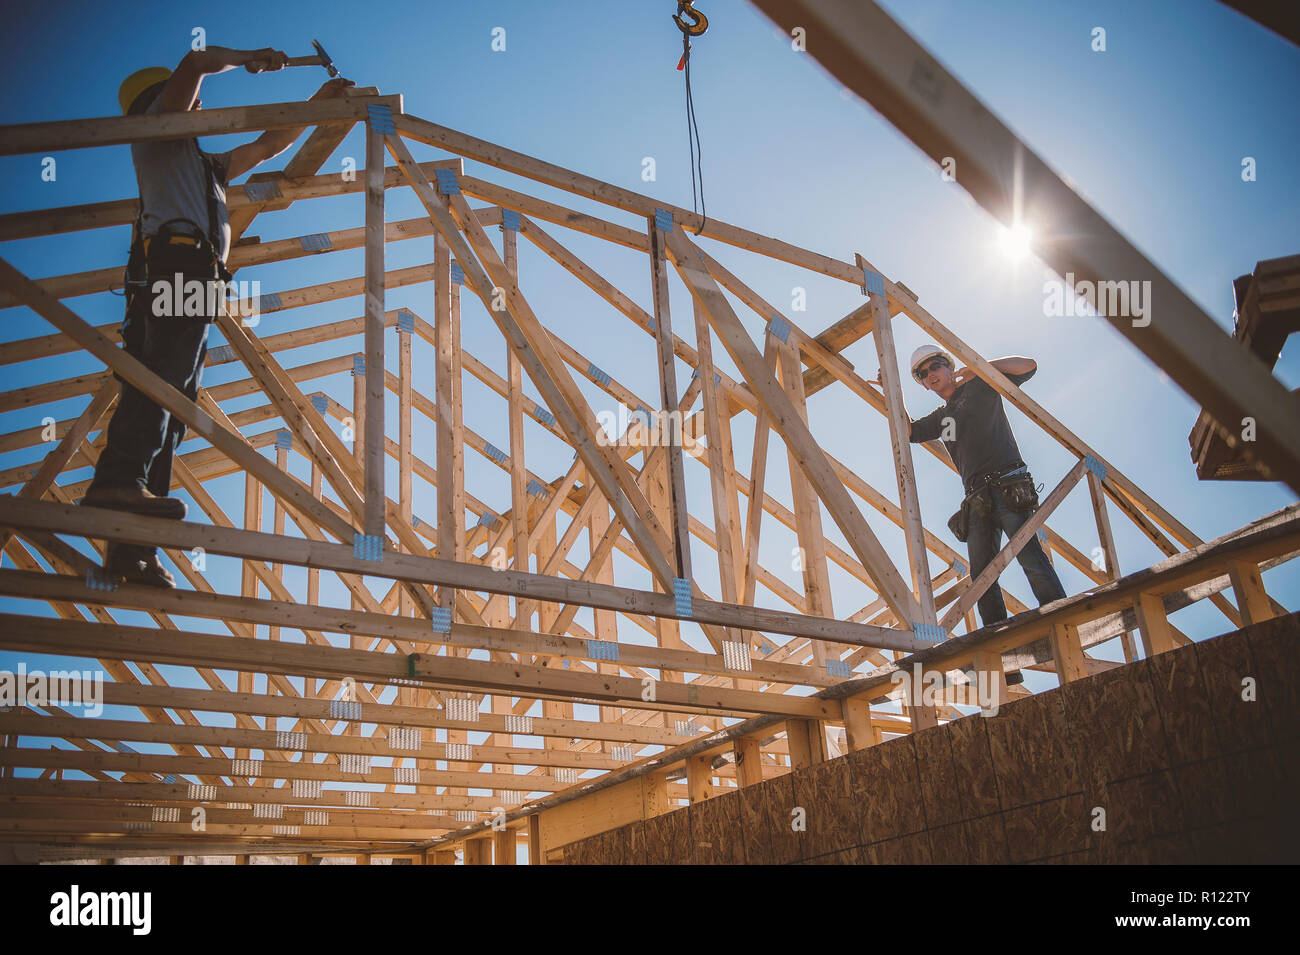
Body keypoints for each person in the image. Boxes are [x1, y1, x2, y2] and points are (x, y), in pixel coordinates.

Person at [83, 47, 353, 587]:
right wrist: (250, 58)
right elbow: (191, 63)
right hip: (177, 268)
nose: (199, 105)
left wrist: (319, 104)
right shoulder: (157, 136)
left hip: (197, 278)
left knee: (175, 401)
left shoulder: (203, 167)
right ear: (156, 104)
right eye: (190, 101)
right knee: (160, 382)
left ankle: (133, 540)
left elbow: (267, 144)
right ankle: (117, 482)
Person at [903, 345, 1067, 635]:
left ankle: (1063, 622)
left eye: (935, 366)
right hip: (977, 498)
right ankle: (1000, 644)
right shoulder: (943, 418)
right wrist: (890, 392)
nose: (930, 375)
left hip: (1007, 484)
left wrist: (979, 366)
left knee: (1028, 554)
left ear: (949, 367)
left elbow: (1028, 363)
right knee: (981, 577)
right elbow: (910, 432)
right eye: (923, 374)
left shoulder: (981, 386)